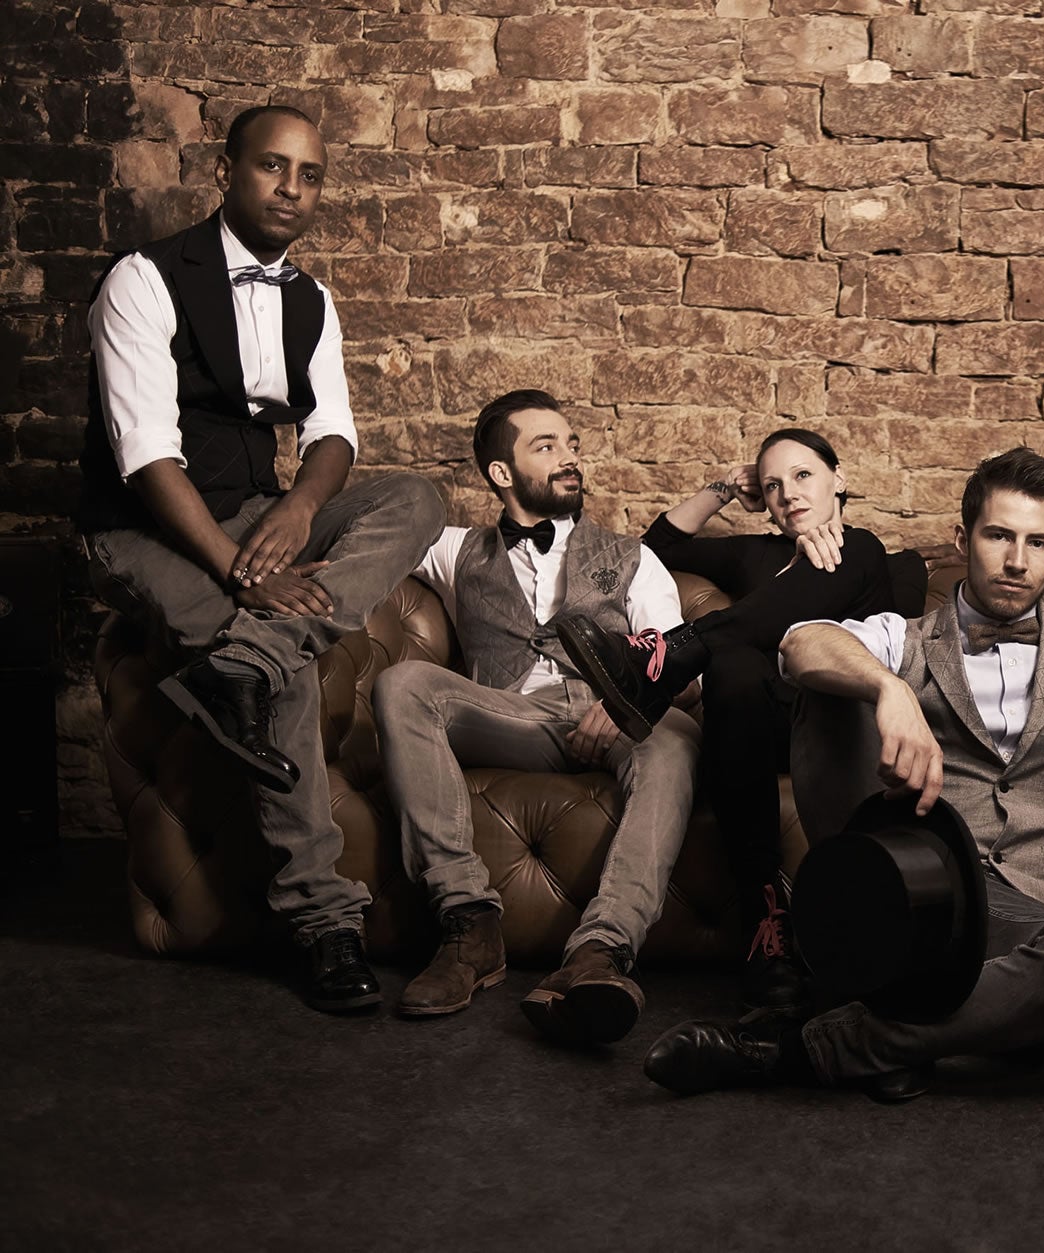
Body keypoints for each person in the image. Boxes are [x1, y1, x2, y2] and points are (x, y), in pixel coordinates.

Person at [78, 104, 444, 1013]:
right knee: (278, 658)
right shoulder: (143, 280)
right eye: (273, 166)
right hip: (140, 527)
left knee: (416, 499)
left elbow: (333, 433)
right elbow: (145, 457)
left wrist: (299, 506)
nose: (292, 188)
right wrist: (245, 569)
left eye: (310, 174)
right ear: (226, 171)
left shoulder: (310, 300)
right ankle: (324, 920)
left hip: (253, 513)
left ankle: (249, 660)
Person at [637, 447, 1044, 1101]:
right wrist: (889, 688)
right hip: (911, 892)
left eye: (1037, 542)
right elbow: (799, 642)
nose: (1017, 560)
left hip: (1028, 914)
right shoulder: (903, 635)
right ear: (962, 538)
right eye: (998, 535)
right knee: (830, 686)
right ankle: (968, 1026)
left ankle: (816, 1045)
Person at [371, 390, 699, 1045]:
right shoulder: (454, 549)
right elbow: (367, 535)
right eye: (546, 446)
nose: (569, 457)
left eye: (571, 443)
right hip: (512, 716)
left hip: (615, 716)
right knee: (403, 683)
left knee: (674, 738)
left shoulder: (634, 557)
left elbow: (680, 667)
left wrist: (625, 703)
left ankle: (600, 952)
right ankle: (468, 922)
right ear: (501, 472)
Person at [553, 429, 902, 1012]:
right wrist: (724, 488)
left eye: (803, 475)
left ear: (839, 479)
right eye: (773, 485)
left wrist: (818, 560)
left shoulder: (876, 557)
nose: (788, 493)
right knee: (734, 664)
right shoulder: (754, 555)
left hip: (841, 730)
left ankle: (665, 662)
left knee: (854, 545)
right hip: (755, 731)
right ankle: (767, 924)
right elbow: (655, 546)